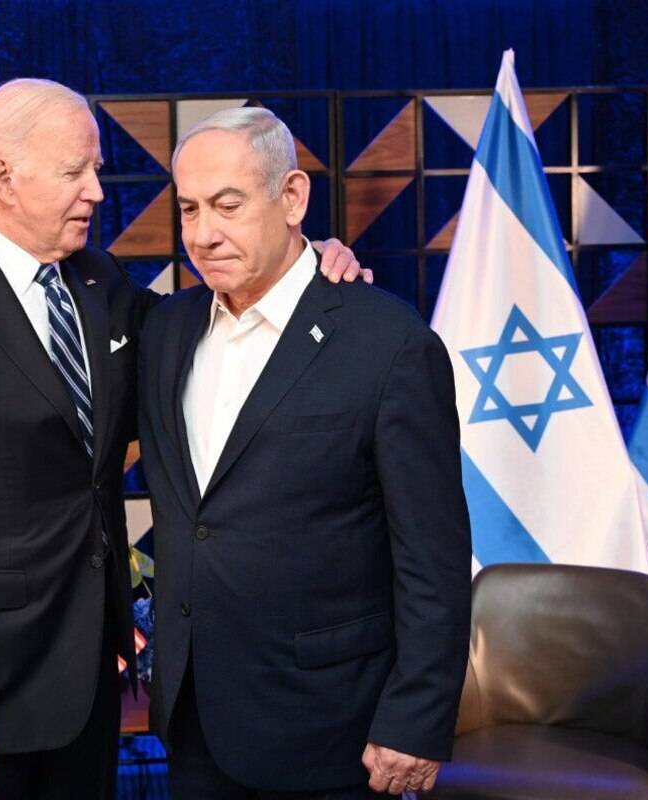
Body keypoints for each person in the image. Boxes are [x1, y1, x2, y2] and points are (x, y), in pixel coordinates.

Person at [0, 79, 367, 800]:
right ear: (3, 176)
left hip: (88, 679)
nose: (97, 190)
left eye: (94, 169)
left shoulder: (99, 282)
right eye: (75, 172)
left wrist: (306, 264)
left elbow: (207, 327)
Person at [137, 106, 472, 799]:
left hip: (331, 728)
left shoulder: (388, 344)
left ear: (292, 198)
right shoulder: (164, 331)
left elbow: (432, 557)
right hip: (194, 718)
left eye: (228, 205)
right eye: (190, 209)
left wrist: (417, 717)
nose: (203, 234)